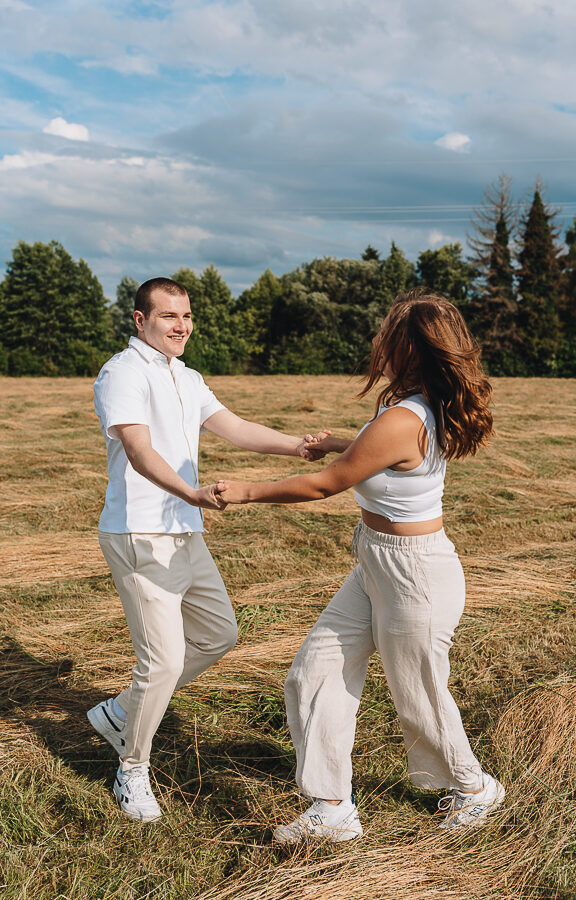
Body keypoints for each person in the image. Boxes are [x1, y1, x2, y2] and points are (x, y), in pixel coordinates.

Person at [217, 290, 505, 841]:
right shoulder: (414, 405)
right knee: (313, 672)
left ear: (408, 347)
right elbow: (389, 459)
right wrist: (346, 444)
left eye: (386, 334)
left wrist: (245, 491)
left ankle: (474, 789)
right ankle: (331, 808)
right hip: (376, 562)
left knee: (419, 694)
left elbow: (327, 484)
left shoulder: (405, 416)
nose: (377, 341)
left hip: (415, 575)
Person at [90, 276, 324, 823]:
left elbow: (234, 427)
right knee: (164, 659)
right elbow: (139, 450)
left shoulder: (187, 377)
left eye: (187, 316)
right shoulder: (120, 373)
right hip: (139, 531)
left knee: (219, 633)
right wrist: (191, 492)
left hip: (184, 531)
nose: (182, 326)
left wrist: (299, 445)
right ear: (139, 320)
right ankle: (132, 769)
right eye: (169, 316)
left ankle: (121, 711)